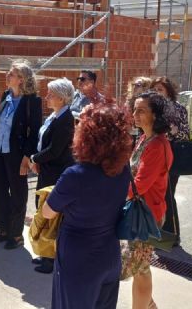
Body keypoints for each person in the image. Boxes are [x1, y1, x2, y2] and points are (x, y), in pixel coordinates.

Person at [42, 104, 132, 309]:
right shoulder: (123, 169)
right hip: (110, 256)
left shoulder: (75, 175)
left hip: (78, 260)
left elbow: (48, 212)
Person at [123, 91, 173, 309]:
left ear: (156, 115)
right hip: (138, 211)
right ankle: (148, 305)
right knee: (139, 267)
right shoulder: (145, 138)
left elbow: (139, 184)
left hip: (147, 215)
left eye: (141, 110)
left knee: (140, 268)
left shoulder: (157, 145)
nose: (135, 114)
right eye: (134, 109)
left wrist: (110, 194)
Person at [0, 59, 42, 250]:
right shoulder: (6, 95)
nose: (7, 75)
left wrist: (27, 157)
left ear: (21, 79)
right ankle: (3, 229)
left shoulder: (32, 101)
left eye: (12, 73)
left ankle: (16, 234)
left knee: (18, 193)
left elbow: (34, 132)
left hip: (17, 155)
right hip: (0, 152)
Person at [29, 78, 75, 274]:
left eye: (51, 95)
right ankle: (45, 254)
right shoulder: (55, 116)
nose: (46, 97)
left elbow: (54, 150)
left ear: (62, 98)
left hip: (55, 173)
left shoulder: (66, 120)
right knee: (43, 212)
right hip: (47, 170)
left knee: (52, 216)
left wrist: (33, 158)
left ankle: (51, 258)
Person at [150, 77, 190, 246]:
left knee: (168, 195)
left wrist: (172, 130)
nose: (157, 92)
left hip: (171, 154)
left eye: (160, 89)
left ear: (168, 91)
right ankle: (156, 234)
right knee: (156, 195)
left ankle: (172, 237)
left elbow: (185, 134)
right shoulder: (152, 108)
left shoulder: (178, 108)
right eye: (155, 89)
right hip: (153, 154)